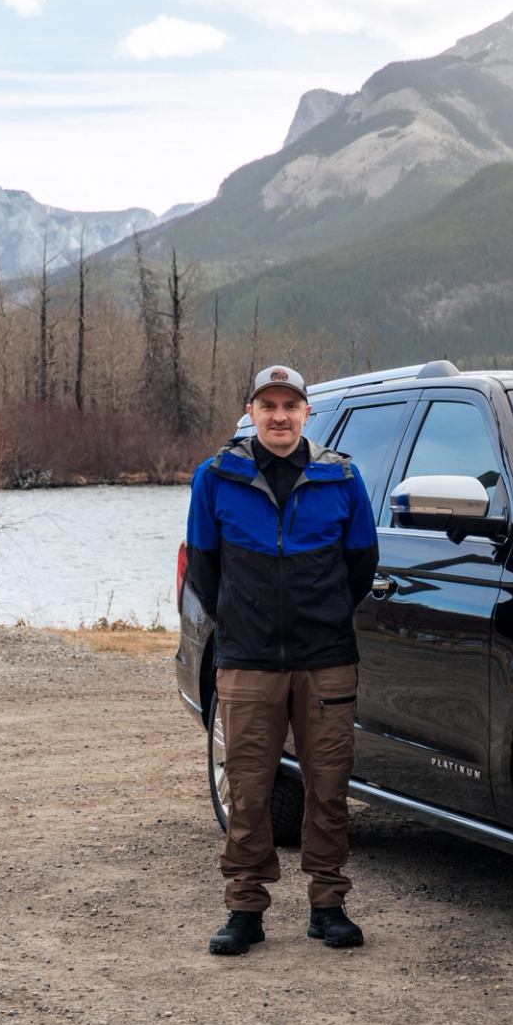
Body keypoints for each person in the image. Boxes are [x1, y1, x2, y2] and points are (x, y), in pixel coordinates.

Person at [184, 365, 377, 955]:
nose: (279, 416)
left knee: (327, 786)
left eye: (290, 405)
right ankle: (245, 909)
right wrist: (243, 620)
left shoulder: (341, 477)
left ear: (306, 414)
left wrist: (321, 614)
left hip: (325, 659)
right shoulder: (216, 478)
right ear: (251, 413)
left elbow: (362, 565)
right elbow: (204, 567)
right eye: (267, 405)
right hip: (248, 660)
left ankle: (328, 903)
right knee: (248, 787)